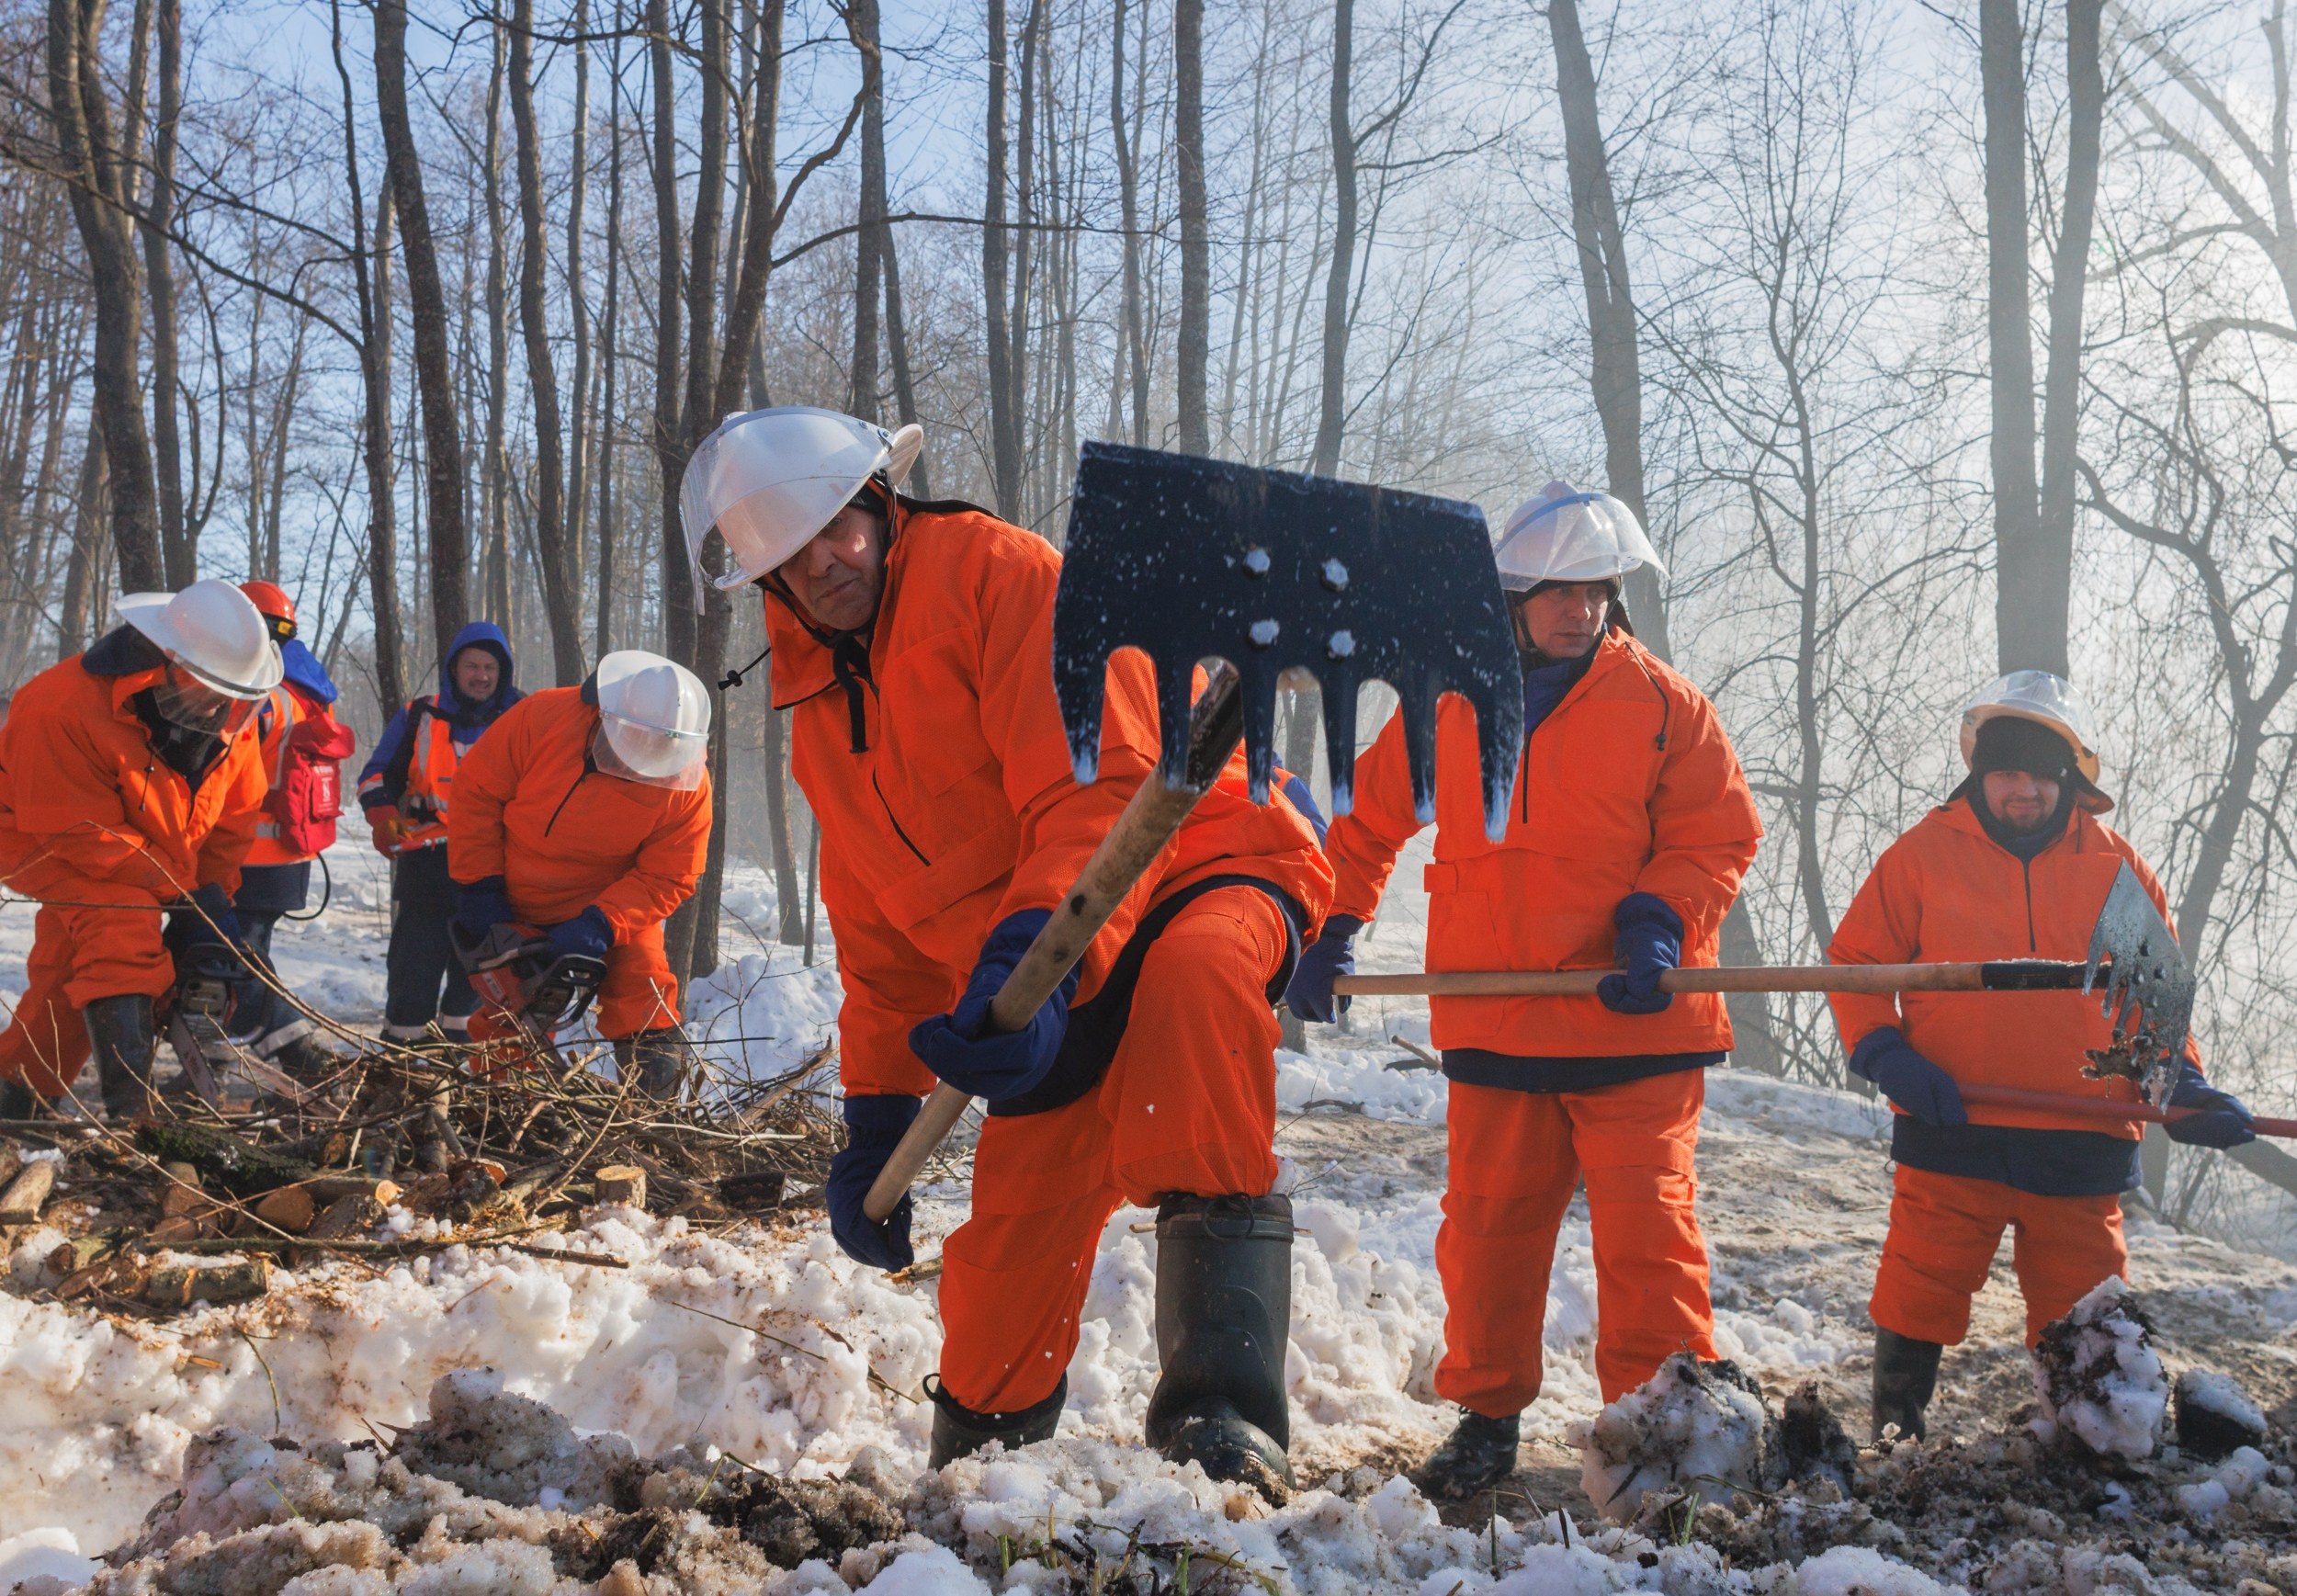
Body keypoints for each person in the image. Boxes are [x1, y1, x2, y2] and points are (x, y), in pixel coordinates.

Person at [680, 407, 1332, 1495]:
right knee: (1009, 1245)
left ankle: (1223, 1422)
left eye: (837, 525)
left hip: (1195, 857)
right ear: (767, 585)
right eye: (789, 555)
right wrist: (875, 1119)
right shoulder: (820, 717)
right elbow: (882, 933)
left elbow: (1094, 789)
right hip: (1043, 963)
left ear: (880, 503)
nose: (824, 561)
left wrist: (1032, 953)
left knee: (1195, 993)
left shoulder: (1004, 578)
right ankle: (978, 1474)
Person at [1285, 480, 1764, 1499]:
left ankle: (1662, 1429)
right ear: (1512, 597)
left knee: (1650, 1239)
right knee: (1488, 1234)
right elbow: (1367, 822)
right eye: (1557, 591)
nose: (1579, 609)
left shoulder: (1666, 708)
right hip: (1497, 1021)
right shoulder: (1447, 702)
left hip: (1637, 1021)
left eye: (1595, 589)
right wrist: (1332, 924)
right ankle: (1486, 1419)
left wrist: (1660, 919)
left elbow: (1716, 835)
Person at [1827, 671, 2251, 1443]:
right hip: (1951, 1122)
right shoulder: (1921, 856)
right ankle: (1896, 1437)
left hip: (2082, 1136)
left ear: (2070, 779)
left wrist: (2182, 1084)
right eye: (2007, 772)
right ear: (1979, 774)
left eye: (2041, 775)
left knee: (2087, 1311)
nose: (2024, 790)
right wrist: (1885, 1052)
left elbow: (2157, 1000)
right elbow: (1855, 963)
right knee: (1919, 1283)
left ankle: (2094, 1445)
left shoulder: (2116, 868)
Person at [0, 582, 278, 1119]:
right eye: (209, 691)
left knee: (74, 969)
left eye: (233, 698)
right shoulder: (61, 706)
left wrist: (209, 907)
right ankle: (131, 1111)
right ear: (167, 660)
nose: (221, 708)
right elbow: (80, 834)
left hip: (149, 856)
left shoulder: (231, 723)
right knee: (119, 927)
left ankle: (16, 1096)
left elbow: (229, 826)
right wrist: (183, 897)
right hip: (35, 833)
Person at [447, 649, 712, 1093]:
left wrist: (603, 923)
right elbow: (476, 793)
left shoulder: (688, 783)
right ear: (608, 715)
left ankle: (656, 1113)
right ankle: (503, 1109)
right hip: (517, 898)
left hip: (613, 904)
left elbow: (670, 875)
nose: (643, 761)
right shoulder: (543, 717)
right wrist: (479, 886)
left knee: (645, 993)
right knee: (511, 1014)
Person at [357, 623, 519, 1046]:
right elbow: (376, 776)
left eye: (490, 667)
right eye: (472, 666)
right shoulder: (419, 715)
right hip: (427, 866)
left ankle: (458, 1060)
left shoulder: (522, 718)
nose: (481, 676)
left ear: (503, 672)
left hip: (494, 868)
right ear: (454, 669)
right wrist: (383, 817)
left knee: (480, 975)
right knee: (414, 967)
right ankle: (402, 1057)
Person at [230, 582, 356, 1076]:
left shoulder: (258, 694)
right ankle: (211, 1063)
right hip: (290, 854)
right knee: (241, 955)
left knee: (234, 958)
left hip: (246, 855)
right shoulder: (311, 693)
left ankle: (298, 1054)